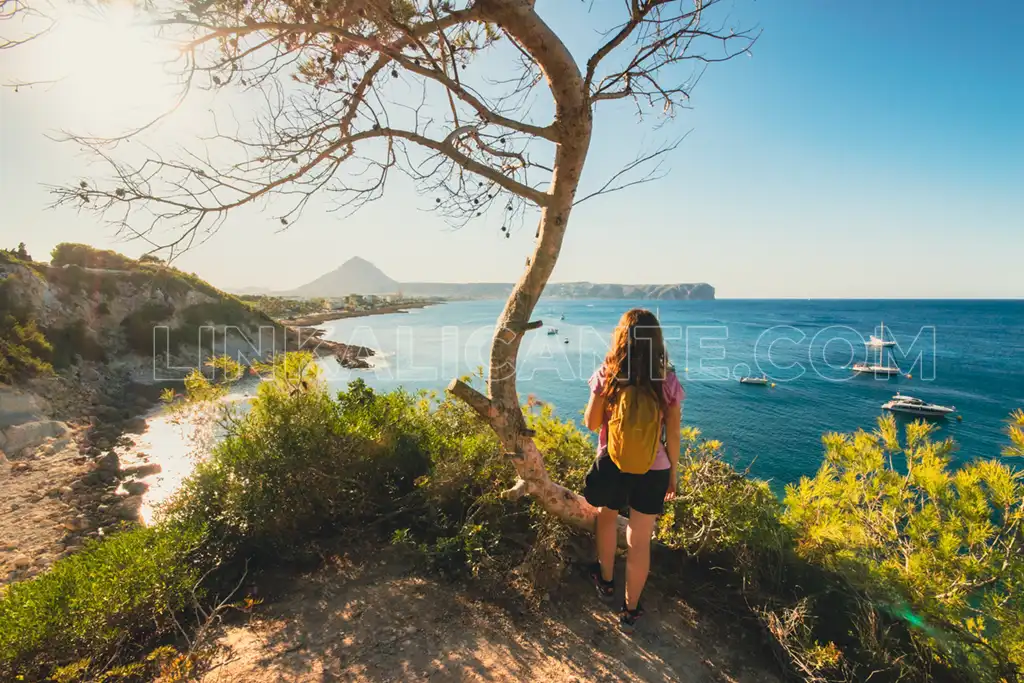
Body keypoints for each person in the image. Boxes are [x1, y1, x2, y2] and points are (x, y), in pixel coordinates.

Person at [582, 308, 684, 633]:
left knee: (607, 518)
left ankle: (606, 582)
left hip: (612, 462)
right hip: (653, 470)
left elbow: (591, 423)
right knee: (640, 541)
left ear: (620, 338)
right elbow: (674, 433)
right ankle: (629, 611)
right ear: (656, 342)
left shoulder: (609, 374)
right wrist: (672, 474)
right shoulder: (666, 380)